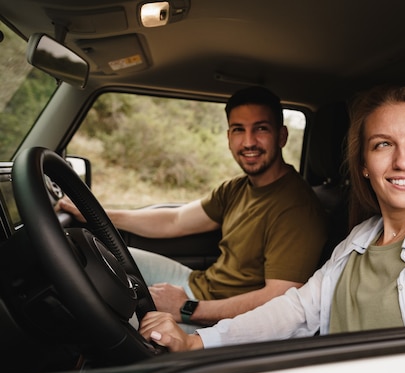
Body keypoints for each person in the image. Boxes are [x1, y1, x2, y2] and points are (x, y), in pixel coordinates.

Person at [138, 85, 405, 351]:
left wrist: (188, 313)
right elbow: (296, 311)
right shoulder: (358, 240)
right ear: (364, 166)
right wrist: (197, 342)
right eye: (383, 144)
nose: (403, 160)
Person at [59, 86, 329, 326]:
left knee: (105, 318)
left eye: (261, 129)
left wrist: (186, 308)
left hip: (222, 317)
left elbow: (279, 298)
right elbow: (174, 221)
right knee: (95, 258)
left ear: (281, 136)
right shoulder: (236, 188)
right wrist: (94, 213)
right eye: (238, 130)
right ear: (228, 137)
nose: (248, 142)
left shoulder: (297, 209)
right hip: (197, 284)